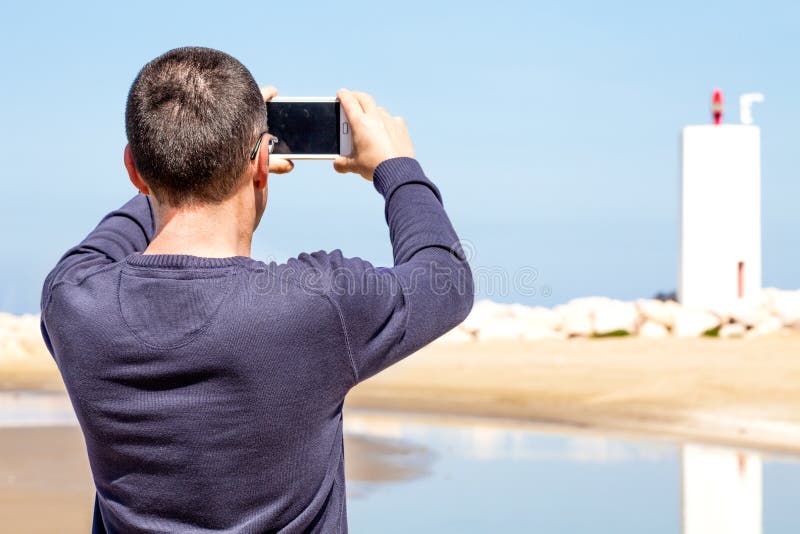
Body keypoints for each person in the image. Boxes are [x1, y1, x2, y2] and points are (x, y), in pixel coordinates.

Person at [40, 46, 473, 533]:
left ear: (134, 169)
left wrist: (193, 158)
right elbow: (446, 278)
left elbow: (129, 220)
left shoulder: (72, 301)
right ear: (263, 163)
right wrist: (397, 168)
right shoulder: (314, 306)